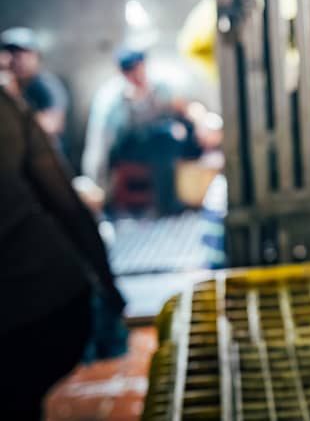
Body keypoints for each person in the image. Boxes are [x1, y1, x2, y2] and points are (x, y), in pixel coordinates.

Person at [0, 85, 125, 419]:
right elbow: (65, 202)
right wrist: (108, 286)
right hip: (55, 305)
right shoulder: (6, 105)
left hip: (35, 306)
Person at [81, 48, 198, 215]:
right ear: (122, 73)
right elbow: (99, 145)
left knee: (170, 138)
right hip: (124, 147)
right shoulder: (111, 101)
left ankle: (169, 203)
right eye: (132, 71)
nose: (138, 75)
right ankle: (159, 206)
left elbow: (183, 108)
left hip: (155, 140)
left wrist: (199, 124)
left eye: (140, 68)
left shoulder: (159, 87)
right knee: (163, 144)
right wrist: (98, 189)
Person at [1, 26, 70, 146]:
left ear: (37, 56)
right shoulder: (5, 85)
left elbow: (53, 125)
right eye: (13, 54)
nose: (18, 60)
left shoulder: (47, 86)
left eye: (25, 54)